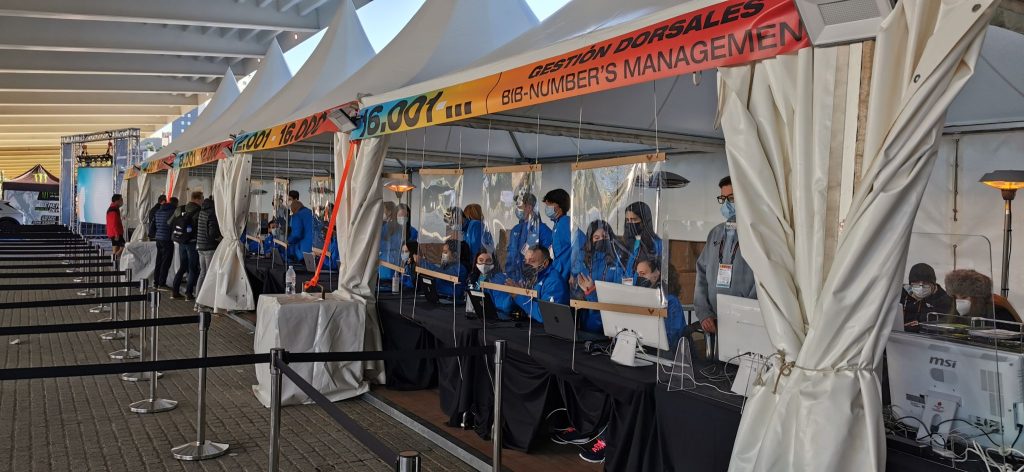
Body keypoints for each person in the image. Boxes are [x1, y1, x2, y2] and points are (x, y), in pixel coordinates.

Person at [694, 176, 757, 334]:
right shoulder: (716, 233)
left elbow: (764, 279)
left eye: (732, 198)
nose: (727, 204)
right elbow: (701, 273)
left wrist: (747, 313)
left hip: (748, 322)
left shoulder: (756, 234)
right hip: (715, 321)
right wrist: (704, 313)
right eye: (723, 199)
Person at [572, 220, 628, 333]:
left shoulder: (619, 260)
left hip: (610, 325)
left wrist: (591, 290)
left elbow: (619, 294)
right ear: (590, 240)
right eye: (596, 238)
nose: (601, 240)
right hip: (586, 323)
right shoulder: (585, 259)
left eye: (605, 236)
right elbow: (577, 288)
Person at [635, 258, 686, 350]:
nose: (639, 278)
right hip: (647, 349)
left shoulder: (670, 300)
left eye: (643, 274)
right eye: (637, 274)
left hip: (667, 352)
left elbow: (672, 337)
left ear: (656, 274)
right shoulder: (641, 298)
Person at [512, 245, 569, 323]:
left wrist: (519, 297)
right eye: (525, 261)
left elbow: (546, 315)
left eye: (532, 261)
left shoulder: (554, 282)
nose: (527, 265)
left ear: (545, 263)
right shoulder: (532, 276)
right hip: (530, 324)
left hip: (548, 328)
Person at [504, 193, 552, 283]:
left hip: (535, 281)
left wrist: (540, 280)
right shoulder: (516, 230)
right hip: (515, 280)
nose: (517, 210)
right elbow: (510, 257)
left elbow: (549, 258)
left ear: (529, 207)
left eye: (519, 206)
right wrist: (510, 276)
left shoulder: (542, 230)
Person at [946, 269, 1019, 322]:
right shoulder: (956, 315)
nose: (959, 301)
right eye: (955, 297)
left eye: (964, 297)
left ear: (978, 297)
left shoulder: (997, 313)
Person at [900, 263, 953, 331]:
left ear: (934, 284)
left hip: (926, 336)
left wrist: (920, 325)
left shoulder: (945, 300)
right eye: (916, 282)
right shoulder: (902, 294)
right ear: (911, 283)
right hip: (899, 334)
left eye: (925, 283)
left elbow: (948, 323)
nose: (921, 286)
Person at [169, 192, 203, 300]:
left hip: (181, 242)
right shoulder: (199, 211)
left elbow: (169, 222)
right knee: (193, 268)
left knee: (183, 267)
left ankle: (174, 291)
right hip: (192, 242)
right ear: (197, 199)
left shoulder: (180, 208)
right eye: (202, 199)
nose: (202, 201)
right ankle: (189, 293)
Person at [379, 203, 419, 286]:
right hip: (386, 265)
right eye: (400, 215)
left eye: (405, 216)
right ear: (395, 216)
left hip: (402, 265)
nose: (403, 218)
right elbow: (380, 244)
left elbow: (414, 248)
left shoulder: (412, 231)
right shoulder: (387, 228)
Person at [622, 201, 662, 284]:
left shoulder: (657, 243)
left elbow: (660, 273)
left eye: (634, 219)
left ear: (644, 221)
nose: (630, 223)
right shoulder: (628, 243)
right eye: (627, 220)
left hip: (646, 288)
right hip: (626, 287)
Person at [467, 250, 515, 319]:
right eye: (481, 260)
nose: (484, 264)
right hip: (476, 314)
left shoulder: (499, 279)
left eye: (488, 261)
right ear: (476, 262)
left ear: (494, 262)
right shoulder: (474, 277)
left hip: (495, 317)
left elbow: (503, 306)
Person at [542, 189, 575, 279]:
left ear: (559, 205)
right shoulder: (558, 224)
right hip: (559, 274)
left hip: (564, 276)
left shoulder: (565, 223)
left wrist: (574, 273)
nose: (547, 207)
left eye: (550, 204)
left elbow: (580, 246)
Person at [195, 195, 221, 296]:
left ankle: (198, 297)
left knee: (202, 273)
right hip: (209, 247)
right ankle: (206, 298)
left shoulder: (202, 211)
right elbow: (212, 233)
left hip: (200, 246)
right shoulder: (212, 213)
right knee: (210, 274)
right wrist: (219, 238)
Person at [152, 196, 177, 290]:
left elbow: (153, 225)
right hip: (167, 239)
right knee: (166, 262)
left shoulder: (158, 211)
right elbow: (172, 225)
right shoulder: (173, 212)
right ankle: (162, 283)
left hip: (158, 238)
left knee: (158, 261)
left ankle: (156, 282)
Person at [286, 190, 313, 263]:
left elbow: (296, 234)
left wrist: (288, 241)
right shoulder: (309, 212)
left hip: (303, 250)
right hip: (315, 249)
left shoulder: (297, 215)